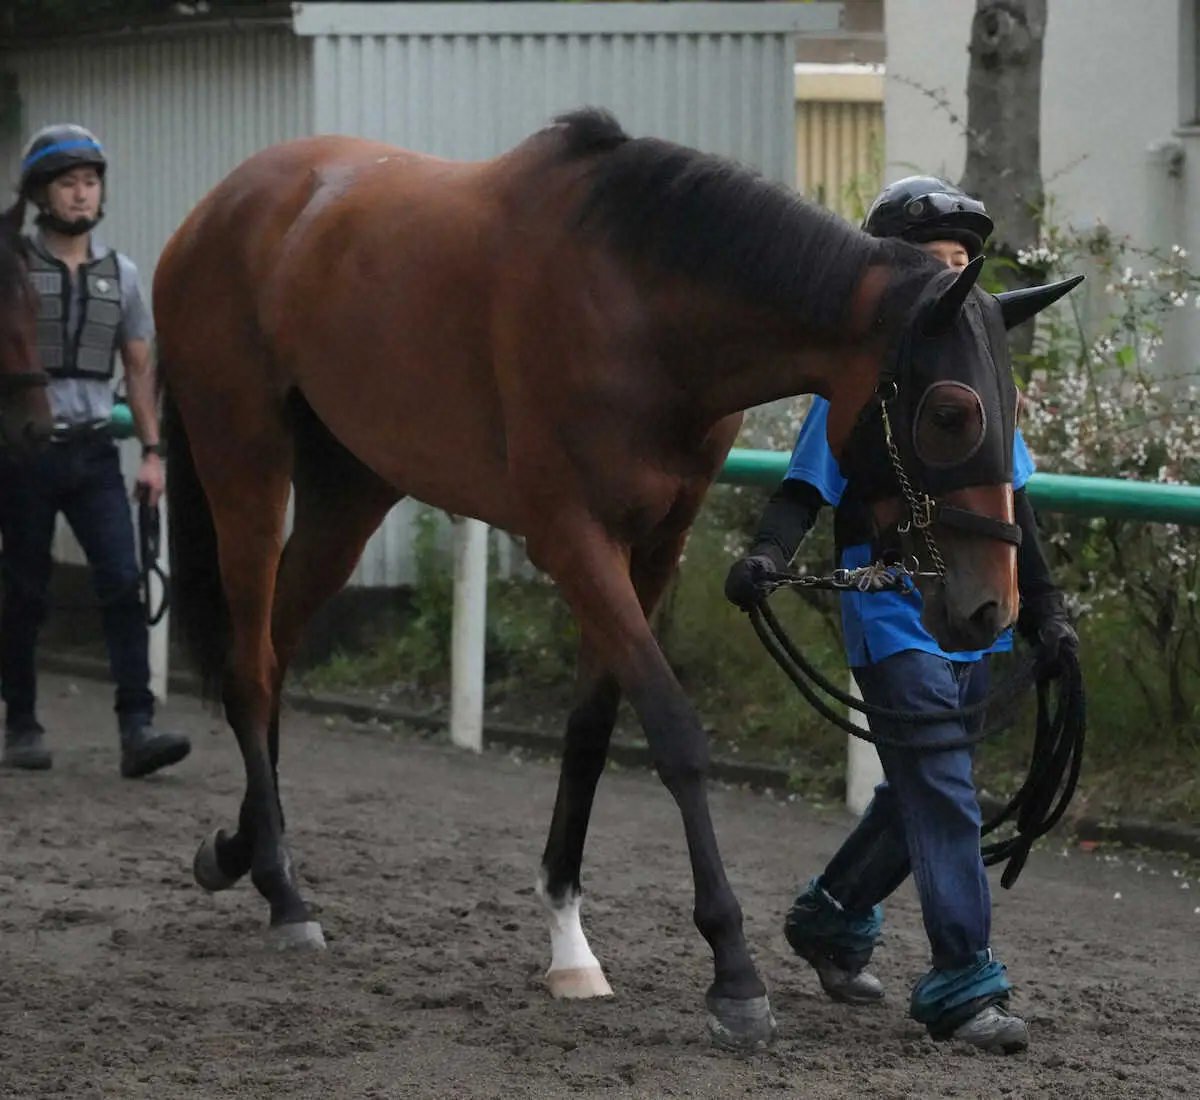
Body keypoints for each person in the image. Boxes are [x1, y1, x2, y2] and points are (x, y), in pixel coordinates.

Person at [724, 176, 1078, 1054]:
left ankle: (833, 915)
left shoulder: (981, 381)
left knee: (927, 786)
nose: (947, 274)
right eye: (929, 263)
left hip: (973, 606)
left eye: (959, 262)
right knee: (946, 788)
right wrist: (769, 554)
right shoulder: (860, 384)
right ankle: (964, 982)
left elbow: (1011, 506)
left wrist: (1047, 613)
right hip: (887, 611)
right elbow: (808, 485)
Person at [0, 123, 191, 777]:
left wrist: (154, 453)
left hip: (91, 456)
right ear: (41, 193)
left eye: (90, 182)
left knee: (122, 581)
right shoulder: (14, 266)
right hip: (25, 455)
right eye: (67, 183)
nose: (81, 195)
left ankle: (137, 726)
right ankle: (21, 722)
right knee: (24, 591)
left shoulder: (122, 274)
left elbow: (138, 372)